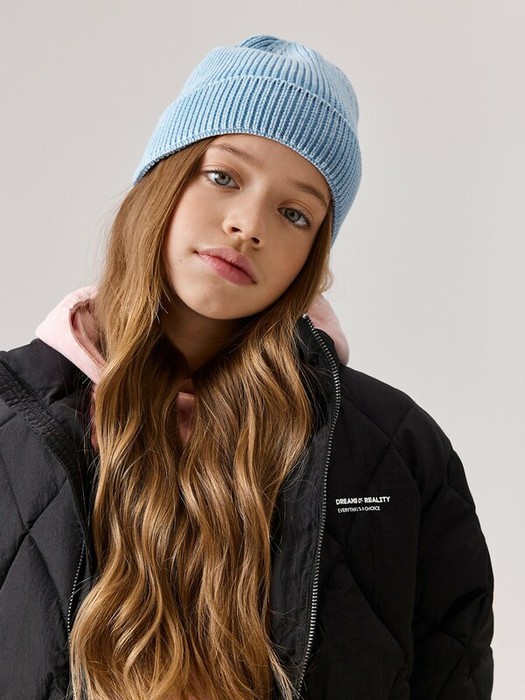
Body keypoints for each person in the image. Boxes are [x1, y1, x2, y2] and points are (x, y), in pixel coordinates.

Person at [0, 35, 493, 700]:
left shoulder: (396, 451)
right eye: (223, 177)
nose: (248, 224)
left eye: (295, 213)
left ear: (313, 255)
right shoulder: (11, 420)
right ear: (163, 179)